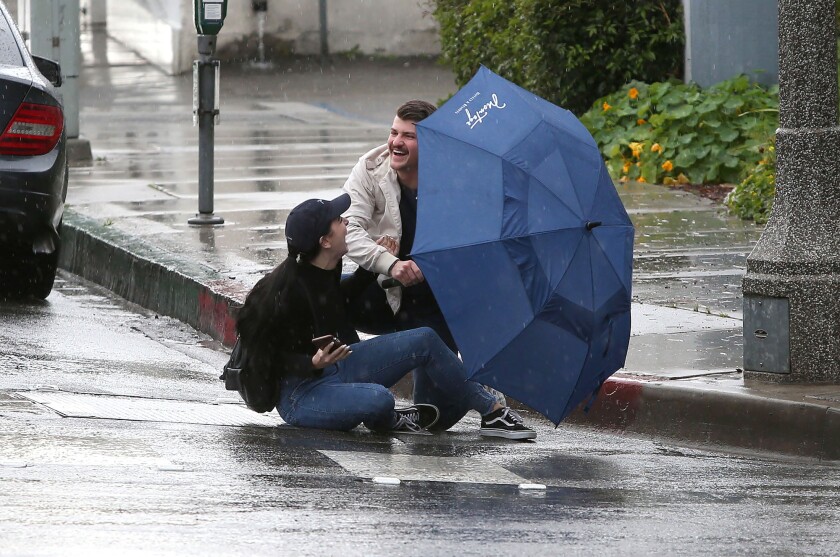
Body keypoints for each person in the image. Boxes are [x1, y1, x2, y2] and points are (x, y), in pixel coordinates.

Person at [235, 193, 536, 439]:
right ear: (324, 241)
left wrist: (376, 263)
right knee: (379, 399)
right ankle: (388, 418)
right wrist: (309, 363)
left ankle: (492, 411)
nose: (347, 222)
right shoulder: (282, 293)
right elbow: (262, 356)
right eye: (339, 221)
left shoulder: (328, 266)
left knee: (425, 340)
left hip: (339, 367)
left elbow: (341, 300)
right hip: (300, 394)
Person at [341, 99, 508, 406]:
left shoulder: (458, 178)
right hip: (386, 292)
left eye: (409, 136)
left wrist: (431, 264)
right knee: (327, 294)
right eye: (394, 133)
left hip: (438, 299)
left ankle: (480, 385)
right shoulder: (370, 168)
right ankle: (343, 377)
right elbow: (347, 228)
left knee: (433, 413)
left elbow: (480, 244)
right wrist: (389, 263)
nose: (396, 143)